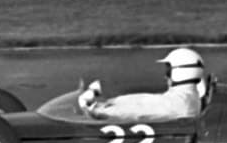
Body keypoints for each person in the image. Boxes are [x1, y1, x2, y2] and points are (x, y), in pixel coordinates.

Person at [78, 47, 210, 121]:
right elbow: (145, 100)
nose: (165, 76)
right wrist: (112, 101)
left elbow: (137, 111)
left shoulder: (179, 103)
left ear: (181, 71)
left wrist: (98, 111)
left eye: (168, 71)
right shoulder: (187, 97)